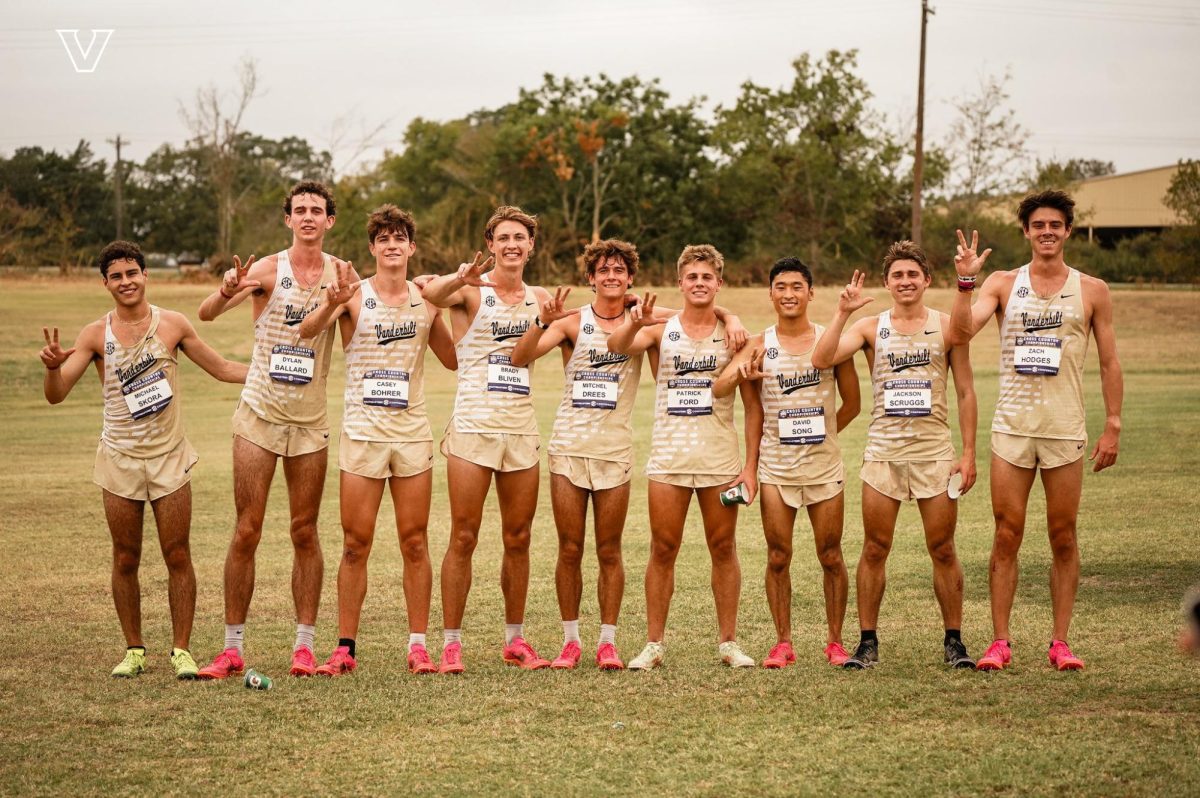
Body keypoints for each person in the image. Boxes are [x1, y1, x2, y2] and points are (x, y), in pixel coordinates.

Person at [40, 240, 247, 679]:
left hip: (170, 458)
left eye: (132, 272)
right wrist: (51, 368)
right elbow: (57, 396)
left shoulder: (172, 325)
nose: (126, 281)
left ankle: (181, 650)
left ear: (145, 275)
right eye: (116, 276)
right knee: (125, 557)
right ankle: (134, 649)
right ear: (105, 284)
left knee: (177, 554)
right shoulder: (96, 335)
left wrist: (274, 372)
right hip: (119, 459)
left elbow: (224, 367)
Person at [947, 189, 1124, 672]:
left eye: (1056, 225)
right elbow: (961, 332)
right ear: (1026, 231)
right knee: (1007, 534)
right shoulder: (1003, 284)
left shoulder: (1093, 290)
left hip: (1064, 428)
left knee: (1063, 536)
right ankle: (1000, 641)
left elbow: (1109, 361)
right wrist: (966, 283)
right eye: (1038, 225)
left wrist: (1113, 423)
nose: (1047, 232)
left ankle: (1060, 642)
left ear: (1067, 231)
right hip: (1012, 429)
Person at [195, 181, 348, 679]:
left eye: (316, 211)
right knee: (247, 529)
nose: (307, 217)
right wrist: (225, 288)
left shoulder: (342, 274)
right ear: (288, 219)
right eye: (299, 210)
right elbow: (208, 314)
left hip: (309, 423)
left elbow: (365, 328)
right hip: (259, 416)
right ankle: (232, 647)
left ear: (329, 221)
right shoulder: (266, 270)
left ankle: (304, 647)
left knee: (305, 531)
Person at [295, 205, 457, 676]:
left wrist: (443, 304)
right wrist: (330, 302)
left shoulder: (424, 299)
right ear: (372, 248)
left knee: (414, 542)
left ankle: (419, 645)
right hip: (362, 436)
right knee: (354, 544)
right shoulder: (353, 295)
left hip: (411, 436)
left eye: (399, 237)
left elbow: (449, 359)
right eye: (383, 238)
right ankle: (345, 647)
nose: (391, 244)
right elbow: (305, 334)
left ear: (410, 247)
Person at [812, 241, 978, 670]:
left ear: (927, 280)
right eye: (897, 275)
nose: (905, 281)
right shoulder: (871, 327)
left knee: (942, 547)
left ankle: (954, 642)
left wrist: (970, 453)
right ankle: (867, 643)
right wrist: (842, 312)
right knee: (874, 548)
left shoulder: (946, 326)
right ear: (886, 283)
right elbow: (821, 357)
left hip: (934, 455)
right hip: (883, 455)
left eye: (913, 274)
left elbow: (965, 390)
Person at [607, 244, 759, 670]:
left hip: (720, 459)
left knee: (723, 547)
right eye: (691, 277)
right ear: (680, 283)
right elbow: (618, 346)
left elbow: (753, 407)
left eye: (707, 277)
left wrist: (750, 467)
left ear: (719, 284)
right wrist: (634, 320)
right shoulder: (662, 328)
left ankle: (728, 643)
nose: (699, 284)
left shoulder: (735, 337)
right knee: (663, 548)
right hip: (669, 460)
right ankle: (654, 644)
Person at [419, 206, 554, 673]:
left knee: (518, 537)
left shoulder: (539, 297)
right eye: (504, 237)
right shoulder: (471, 289)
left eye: (520, 237)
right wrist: (458, 278)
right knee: (464, 534)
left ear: (531, 245)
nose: (512, 244)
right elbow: (428, 292)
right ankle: (451, 644)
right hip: (473, 428)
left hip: (520, 430)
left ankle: (515, 640)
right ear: (491, 244)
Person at [714, 257, 860, 668]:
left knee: (830, 554)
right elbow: (720, 389)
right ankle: (783, 642)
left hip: (824, 468)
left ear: (811, 293)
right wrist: (741, 369)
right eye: (781, 286)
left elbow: (853, 404)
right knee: (779, 555)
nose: (789, 294)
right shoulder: (759, 343)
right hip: (776, 470)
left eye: (797, 286)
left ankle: (834, 641)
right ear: (771, 294)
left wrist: (824, 436)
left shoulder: (829, 342)